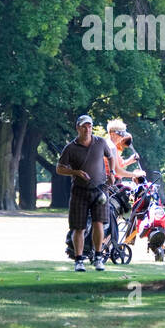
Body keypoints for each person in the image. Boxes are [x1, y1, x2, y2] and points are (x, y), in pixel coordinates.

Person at [56, 114, 117, 272]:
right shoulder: (70, 148)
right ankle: (79, 260)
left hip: (100, 190)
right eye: (84, 126)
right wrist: (75, 172)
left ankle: (98, 257)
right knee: (79, 227)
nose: (87, 129)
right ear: (78, 128)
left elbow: (110, 157)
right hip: (79, 191)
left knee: (99, 223)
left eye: (89, 126)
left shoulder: (100, 142)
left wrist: (112, 173)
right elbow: (59, 168)